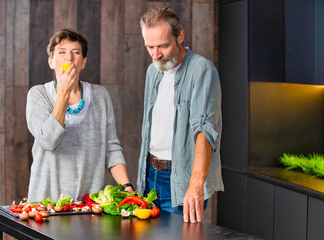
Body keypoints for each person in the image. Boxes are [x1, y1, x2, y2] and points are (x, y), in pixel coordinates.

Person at [136, 7, 224, 223]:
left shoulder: (202, 70)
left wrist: (195, 183)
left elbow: (205, 130)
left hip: (181, 179)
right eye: (150, 47)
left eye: (163, 46)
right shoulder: (152, 71)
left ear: (180, 36)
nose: (155, 54)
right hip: (149, 176)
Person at [26, 28, 134, 202]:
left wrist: (127, 187)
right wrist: (63, 94)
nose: (69, 58)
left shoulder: (100, 96)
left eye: (75, 53)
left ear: (83, 62)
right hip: (45, 205)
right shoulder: (38, 95)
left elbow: (111, 148)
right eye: (61, 52)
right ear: (51, 62)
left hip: (89, 204)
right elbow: (48, 141)